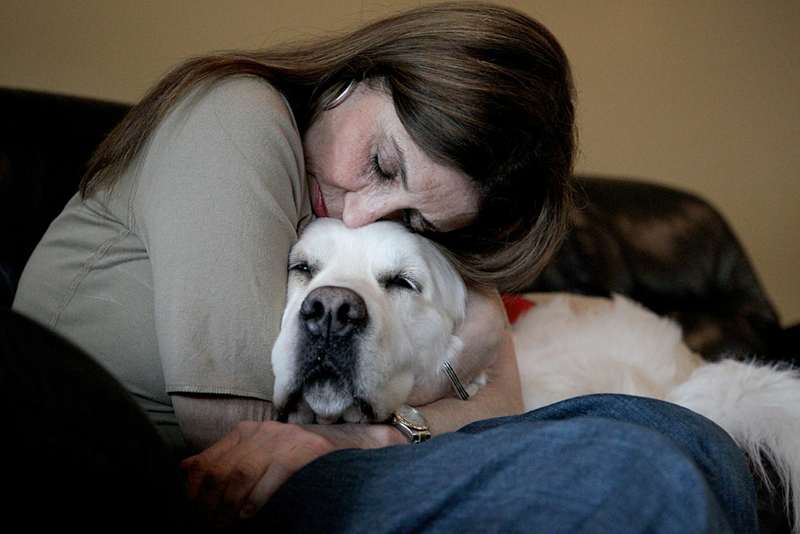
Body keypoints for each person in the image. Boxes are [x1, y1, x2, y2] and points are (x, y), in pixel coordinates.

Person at [10, 2, 758, 532]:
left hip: (296, 467)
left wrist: (392, 426)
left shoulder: (330, 206)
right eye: (380, 161)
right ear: (354, 77)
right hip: (149, 476)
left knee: (687, 437)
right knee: (631, 465)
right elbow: (233, 432)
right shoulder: (240, 117)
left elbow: (502, 394)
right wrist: (405, 421)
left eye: (412, 221)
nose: (364, 215)